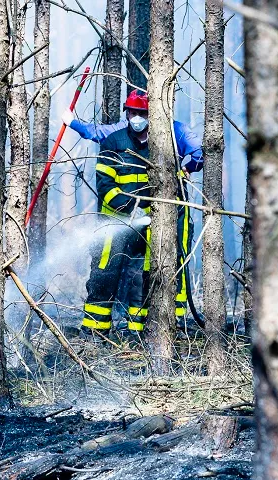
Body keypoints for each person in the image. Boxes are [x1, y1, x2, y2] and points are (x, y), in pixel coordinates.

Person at [69, 90, 203, 336]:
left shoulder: (171, 137)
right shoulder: (115, 142)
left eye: (142, 113)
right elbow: (105, 185)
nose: (137, 117)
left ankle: (146, 332)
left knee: (150, 273)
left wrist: (187, 167)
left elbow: (198, 154)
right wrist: (132, 208)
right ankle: (94, 332)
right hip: (115, 220)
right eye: (133, 112)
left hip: (158, 220)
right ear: (127, 113)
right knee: (104, 272)